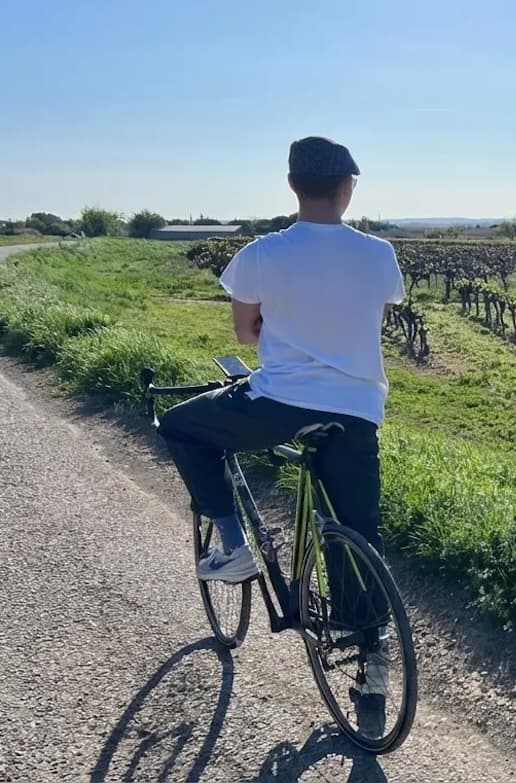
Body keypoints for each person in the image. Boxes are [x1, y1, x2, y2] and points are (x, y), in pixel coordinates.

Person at [157, 136, 404, 587]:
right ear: (347, 187)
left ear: (292, 184)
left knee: (179, 426)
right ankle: (369, 627)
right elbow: (375, 320)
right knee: (358, 533)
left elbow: (244, 331)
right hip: (358, 407)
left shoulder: (261, 253)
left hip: (281, 402)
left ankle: (233, 547)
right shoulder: (380, 254)